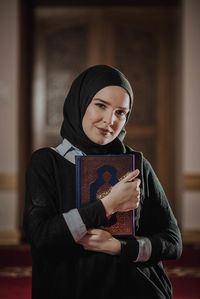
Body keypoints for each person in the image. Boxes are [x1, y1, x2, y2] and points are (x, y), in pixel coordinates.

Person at [23, 65, 182, 299]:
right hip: (68, 286)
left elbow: (173, 242)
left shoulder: (136, 163)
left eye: (121, 112)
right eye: (101, 105)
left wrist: (120, 248)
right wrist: (108, 205)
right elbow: (41, 237)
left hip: (134, 287)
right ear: (80, 103)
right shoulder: (47, 162)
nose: (110, 120)